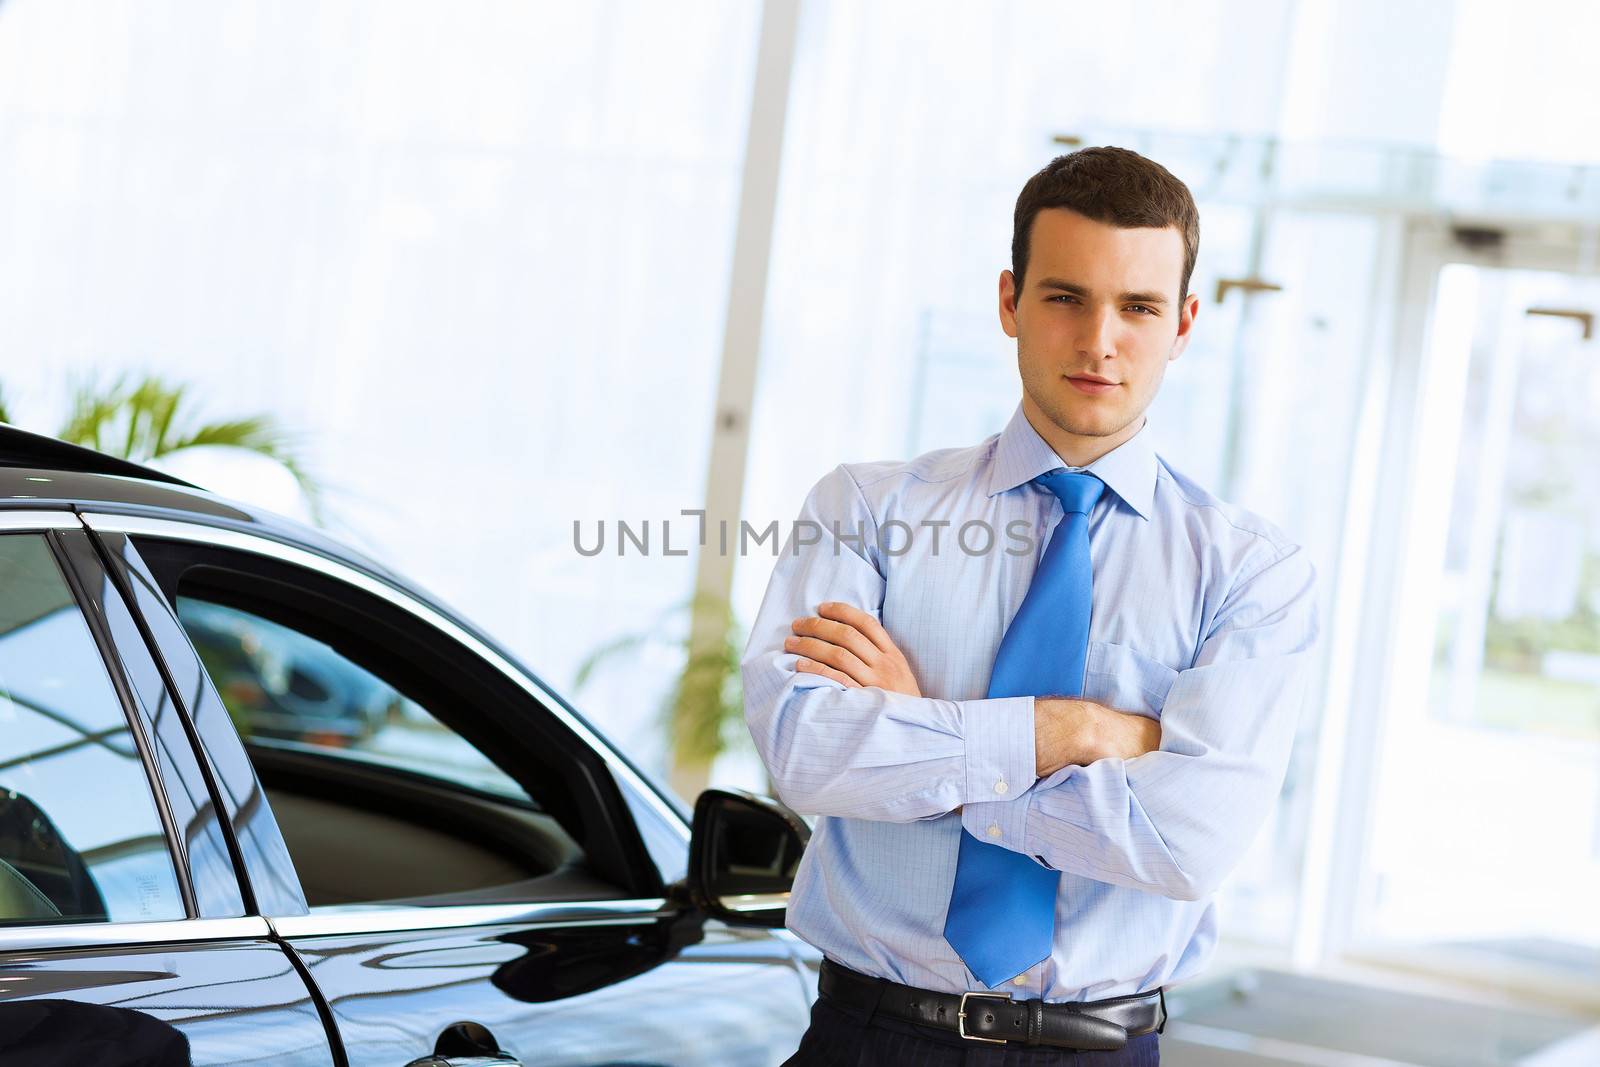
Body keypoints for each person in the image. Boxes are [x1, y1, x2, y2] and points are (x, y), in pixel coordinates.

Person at [740, 146, 1321, 1065]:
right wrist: (1079, 730)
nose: (1100, 339)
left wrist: (924, 735)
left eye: (1138, 306)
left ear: (1184, 324)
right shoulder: (868, 509)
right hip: (869, 1039)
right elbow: (809, 755)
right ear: (1009, 301)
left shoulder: (1251, 571)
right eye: (1065, 297)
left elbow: (1187, 842)